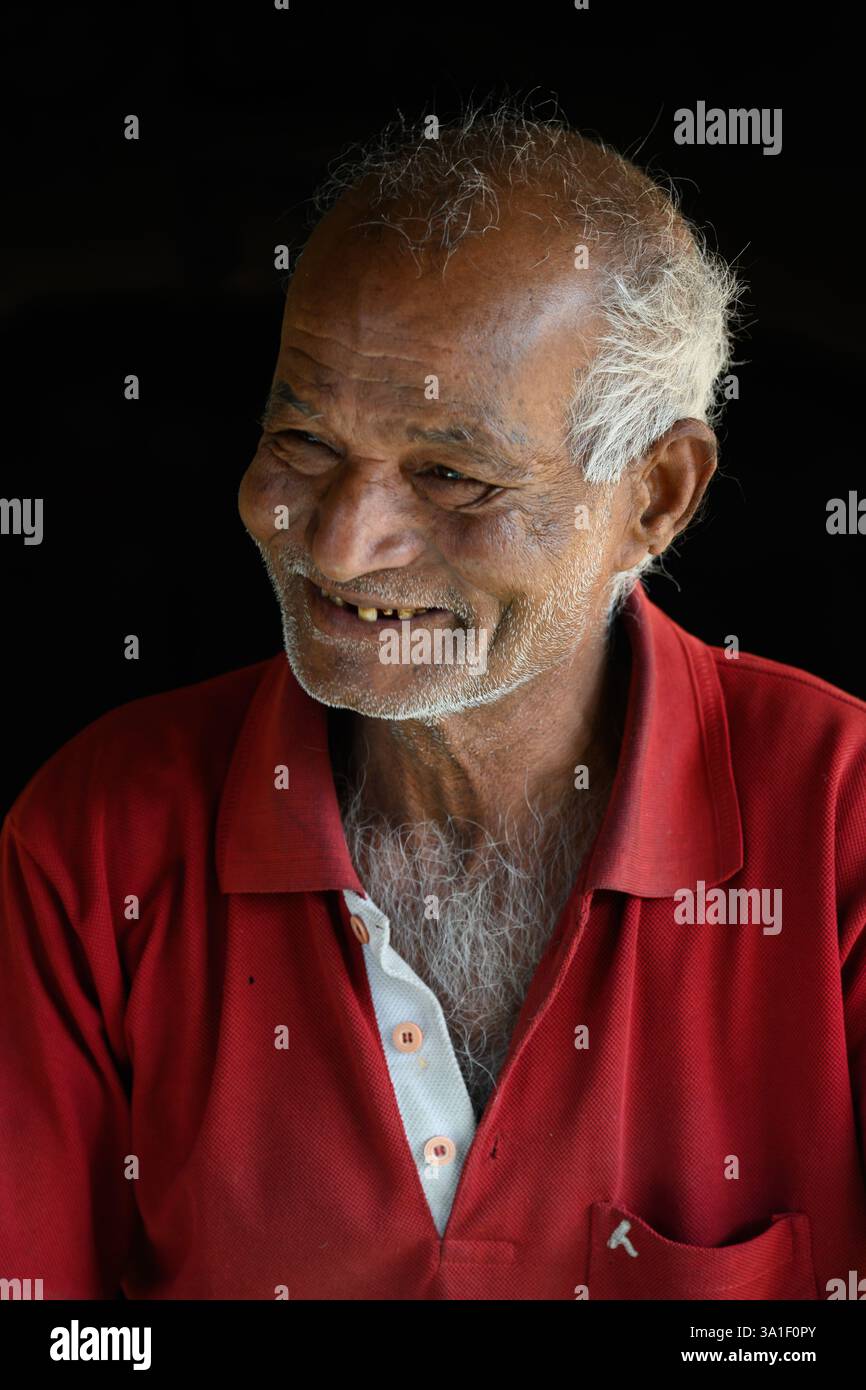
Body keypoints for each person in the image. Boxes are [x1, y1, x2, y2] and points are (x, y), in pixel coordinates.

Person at [2, 100, 865, 1301]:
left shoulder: (837, 821)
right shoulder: (99, 836)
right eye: (301, 438)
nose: (342, 548)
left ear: (656, 494)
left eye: (450, 473)